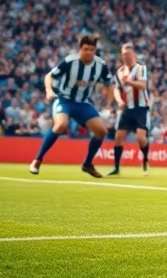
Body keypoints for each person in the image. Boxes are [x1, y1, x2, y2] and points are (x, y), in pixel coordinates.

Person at [30, 34, 115, 177]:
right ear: (80, 49)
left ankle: (87, 164)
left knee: (101, 131)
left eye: (92, 50)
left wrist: (108, 104)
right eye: (86, 49)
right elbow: (49, 76)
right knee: (61, 125)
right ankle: (37, 160)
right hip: (64, 100)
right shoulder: (70, 61)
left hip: (83, 103)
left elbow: (109, 85)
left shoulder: (100, 65)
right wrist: (49, 91)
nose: (89, 52)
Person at [108, 43, 152, 176]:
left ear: (134, 54)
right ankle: (116, 167)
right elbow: (116, 89)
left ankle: (145, 159)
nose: (125, 57)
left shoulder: (141, 68)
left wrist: (129, 82)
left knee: (140, 137)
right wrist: (119, 101)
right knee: (118, 137)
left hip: (141, 108)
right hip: (127, 108)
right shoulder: (120, 71)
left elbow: (143, 85)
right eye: (123, 55)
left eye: (127, 54)